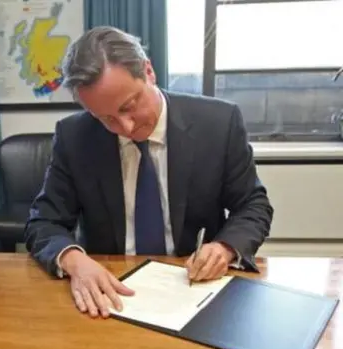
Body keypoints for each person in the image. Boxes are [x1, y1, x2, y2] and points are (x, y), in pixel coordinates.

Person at [24, 26, 273, 318]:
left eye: (129, 106)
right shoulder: (75, 136)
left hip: (194, 288)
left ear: (149, 71)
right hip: (111, 293)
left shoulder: (218, 123)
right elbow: (43, 222)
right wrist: (74, 260)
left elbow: (253, 205)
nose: (126, 128)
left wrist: (225, 247)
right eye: (106, 119)